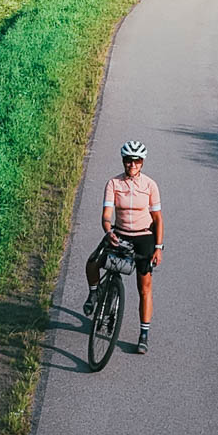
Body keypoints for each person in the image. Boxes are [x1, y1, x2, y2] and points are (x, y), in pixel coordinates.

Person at [85, 139, 164, 353]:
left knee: (144, 286)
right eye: (129, 161)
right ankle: (94, 292)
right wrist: (108, 230)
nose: (132, 165)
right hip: (119, 234)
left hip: (143, 237)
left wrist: (158, 247)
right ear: (123, 161)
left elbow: (157, 219)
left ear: (142, 163)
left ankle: (143, 334)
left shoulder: (150, 185)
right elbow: (106, 215)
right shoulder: (113, 184)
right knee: (92, 263)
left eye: (137, 161)